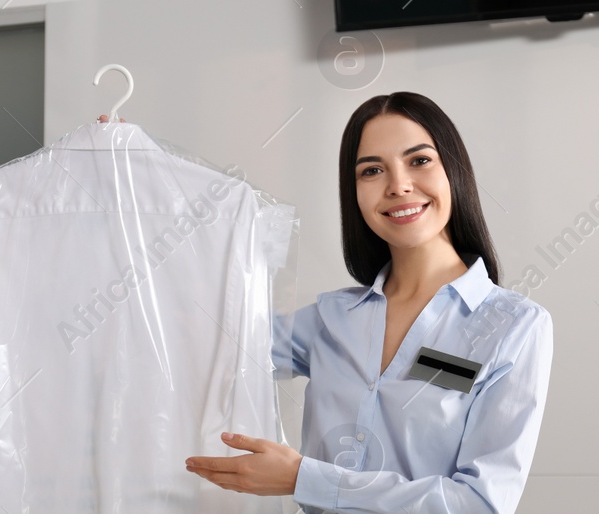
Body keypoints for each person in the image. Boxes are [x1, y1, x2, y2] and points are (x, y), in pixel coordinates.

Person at [183, 92, 555, 513]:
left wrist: (305, 479)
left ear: (454, 170)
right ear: (354, 192)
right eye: (372, 170)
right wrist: (126, 167)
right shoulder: (330, 319)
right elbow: (200, 338)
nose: (398, 185)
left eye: (419, 160)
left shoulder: (514, 327)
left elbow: (481, 504)